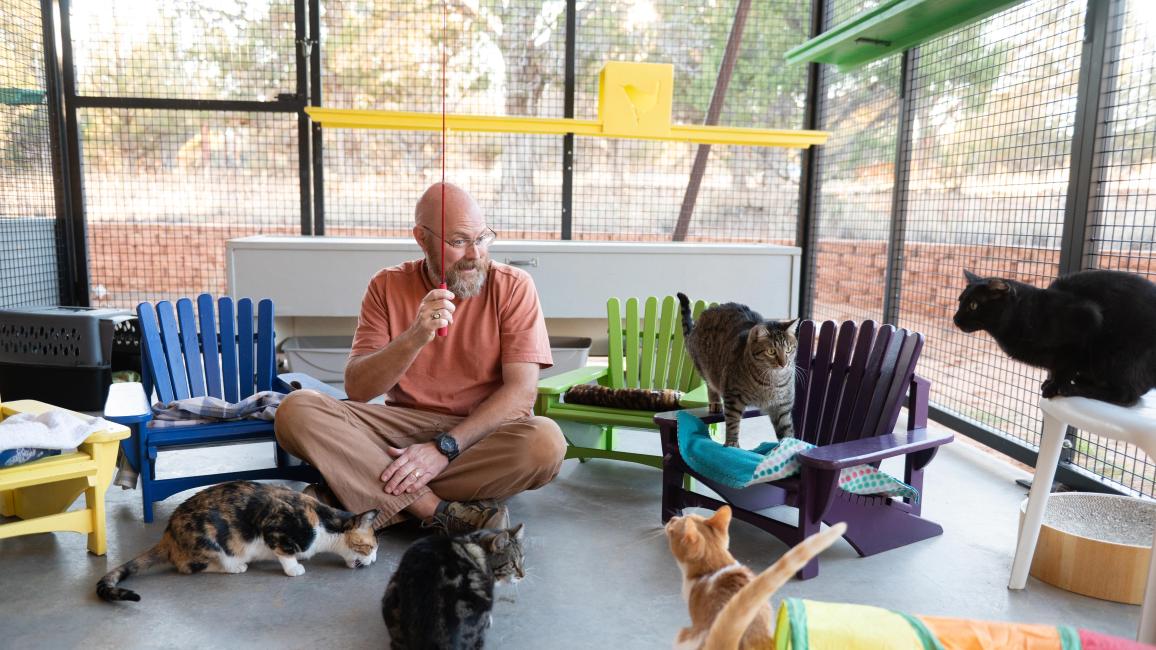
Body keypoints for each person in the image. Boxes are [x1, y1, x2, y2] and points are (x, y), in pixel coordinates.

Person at [274, 182, 567, 534]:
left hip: (480, 435)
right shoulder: (386, 285)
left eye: (482, 237)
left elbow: (521, 394)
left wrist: (442, 449)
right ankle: (435, 510)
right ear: (421, 238)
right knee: (297, 409)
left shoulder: (514, 286)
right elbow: (359, 388)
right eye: (458, 241)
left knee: (545, 443)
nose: (475, 254)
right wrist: (415, 336)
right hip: (398, 432)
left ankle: (353, 491)